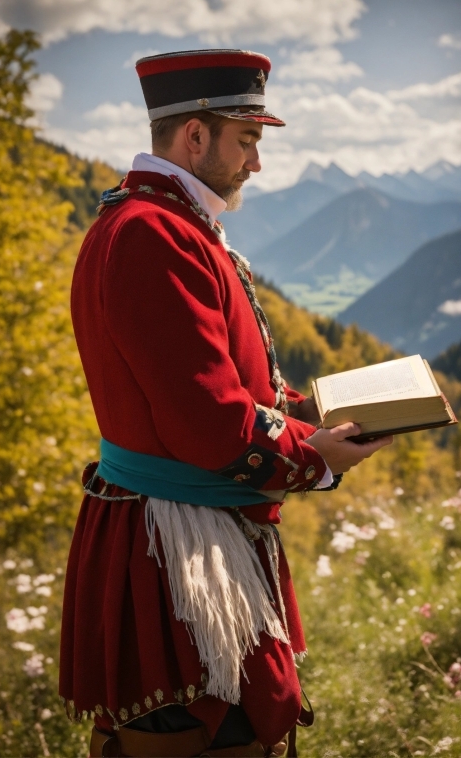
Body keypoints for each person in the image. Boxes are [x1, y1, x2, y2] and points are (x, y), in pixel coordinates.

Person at [59, 49, 393, 758]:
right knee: (212, 736)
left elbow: (226, 388)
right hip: (178, 549)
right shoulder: (153, 234)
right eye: (248, 141)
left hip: (182, 530)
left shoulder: (162, 224)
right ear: (196, 137)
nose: (256, 165)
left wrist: (317, 419)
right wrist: (314, 458)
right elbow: (209, 425)